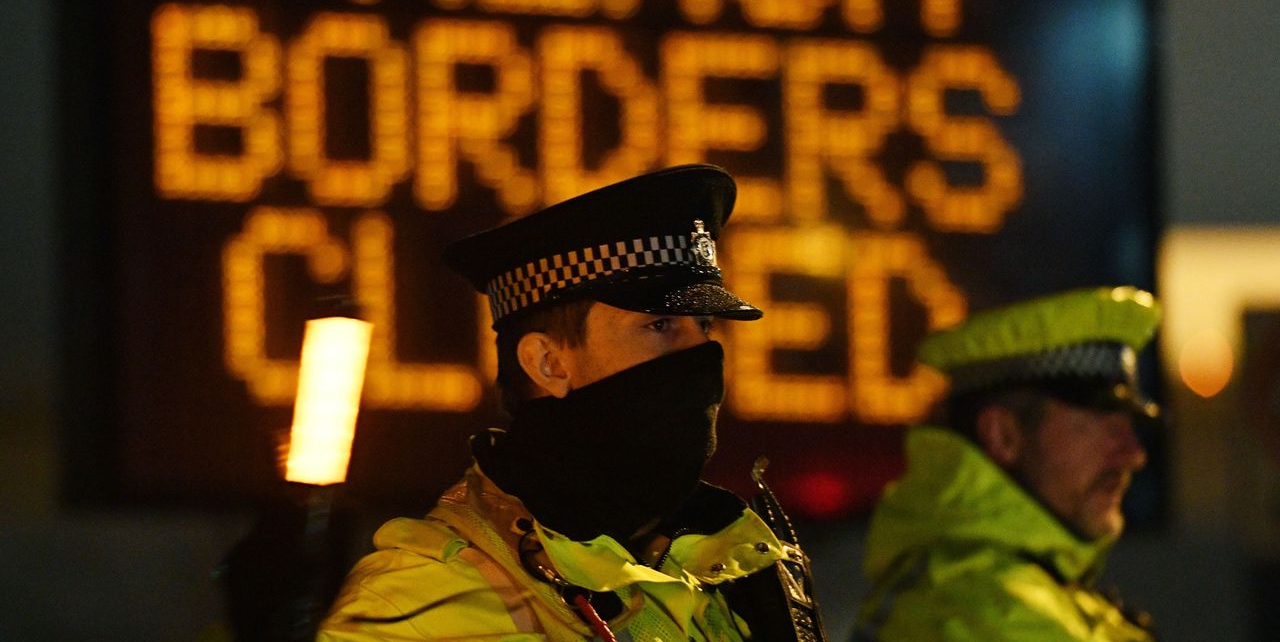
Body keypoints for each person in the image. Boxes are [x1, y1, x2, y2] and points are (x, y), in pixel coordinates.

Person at [318, 164, 796, 641]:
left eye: (705, 326)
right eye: (660, 326)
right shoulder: (419, 601)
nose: (702, 356)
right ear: (547, 363)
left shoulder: (741, 563)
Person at [853, 287, 1161, 641]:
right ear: (1003, 436)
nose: (1134, 455)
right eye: (1105, 426)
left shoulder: (974, 593)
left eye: (1129, 429)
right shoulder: (988, 616)